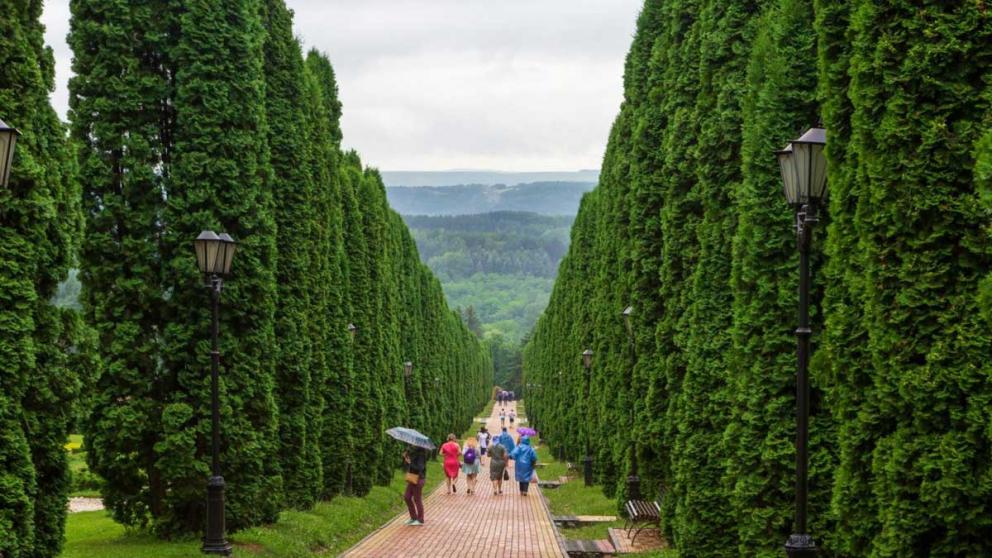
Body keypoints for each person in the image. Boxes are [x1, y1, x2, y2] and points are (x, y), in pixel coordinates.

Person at [403, 445, 428, 525]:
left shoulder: (421, 455)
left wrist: (410, 462)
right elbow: (411, 467)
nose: (412, 445)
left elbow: (420, 468)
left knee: (417, 499)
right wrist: (406, 459)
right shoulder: (414, 453)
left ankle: (420, 519)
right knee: (407, 497)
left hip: (419, 479)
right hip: (412, 478)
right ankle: (413, 517)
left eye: (414, 444)